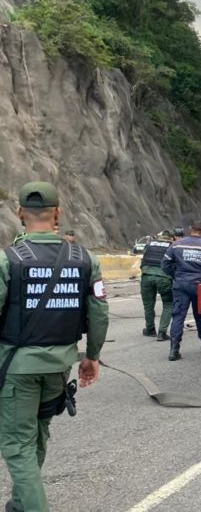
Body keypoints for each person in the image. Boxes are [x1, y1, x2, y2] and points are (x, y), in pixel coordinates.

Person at [0, 182, 108, 512]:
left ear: (19, 214)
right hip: (59, 368)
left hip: (17, 370)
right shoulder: (86, 259)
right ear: (57, 213)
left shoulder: (8, 260)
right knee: (38, 432)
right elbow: (99, 312)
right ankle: (21, 504)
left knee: (18, 444)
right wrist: (92, 356)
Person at [162, 220, 201, 361]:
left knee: (178, 316)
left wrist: (176, 275)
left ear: (189, 228)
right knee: (200, 315)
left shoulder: (177, 245)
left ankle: (174, 350)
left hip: (180, 284)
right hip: (199, 285)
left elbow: (165, 264)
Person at [140, 230, 174, 341]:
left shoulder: (150, 244)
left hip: (146, 276)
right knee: (168, 304)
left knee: (148, 305)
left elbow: (143, 258)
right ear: (171, 238)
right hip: (164, 278)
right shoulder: (172, 246)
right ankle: (162, 333)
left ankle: (150, 329)